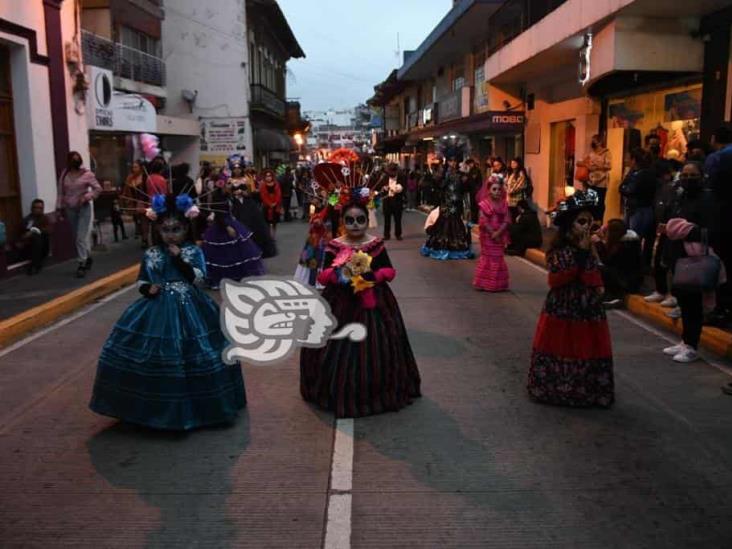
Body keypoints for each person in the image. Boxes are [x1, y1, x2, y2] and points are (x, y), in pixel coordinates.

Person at [89, 193, 246, 430]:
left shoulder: (193, 251)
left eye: (176, 229)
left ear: (186, 229)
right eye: (165, 230)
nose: (171, 235)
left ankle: (202, 408)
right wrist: (147, 289)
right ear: (157, 230)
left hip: (191, 307)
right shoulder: (151, 253)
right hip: (156, 308)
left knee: (198, 353)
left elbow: (199, 278)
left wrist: (180, 260)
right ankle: (148, 411)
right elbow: (141, 280)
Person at [299, 191, 421, 418]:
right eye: (350, 220)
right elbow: (323, 274)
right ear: (343, 223)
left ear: (367, 220)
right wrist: (339, 276)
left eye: (360, 220)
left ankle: (376, 390)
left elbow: (390, 270)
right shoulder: (334, 244)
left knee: (377, 346)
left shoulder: (375, 244)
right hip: (340, 301)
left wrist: (372, 277)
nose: (355, 225)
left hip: (374, 302)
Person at [527, 189, 614, 408]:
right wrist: (581, 255)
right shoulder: (560, 250)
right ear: (570, 224)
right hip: (563, 306)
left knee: (586, 345)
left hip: (588, 309)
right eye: (581, 222)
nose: (586, 226)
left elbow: (593, 275)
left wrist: (597, 285)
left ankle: (587, 390)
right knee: (562, 344)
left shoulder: (591, 248)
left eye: (590, 222)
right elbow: (557, 279)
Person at [661, 161, 721, 363]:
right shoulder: (680, 197)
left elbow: (711, 230)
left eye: (692, 175)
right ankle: (685, 341)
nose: (687, 179)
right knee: (684, 302)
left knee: (693, 304)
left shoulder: (708, 200)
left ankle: (692, 346)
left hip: (695, 258)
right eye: (684, 175)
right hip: (678, 256)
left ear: (701, 176)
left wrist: (685, 230)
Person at [201, 187, 266, 290]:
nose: (229, 186)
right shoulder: (218, 200)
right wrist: (227, 227)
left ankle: (237, 275)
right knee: (223, 254)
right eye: (227, 184)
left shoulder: (228, 197)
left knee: (238, 250)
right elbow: (218, 215)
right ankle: (222, 277)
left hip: (230, 221)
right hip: (222, 226)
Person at [55, 151, 102, 278]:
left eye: (77, 159)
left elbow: (98, 189)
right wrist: (59, 208)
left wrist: (87, 196)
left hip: (83, 209)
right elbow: (60, 192)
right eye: (72, 159)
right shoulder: (65, 174)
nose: (75, 161)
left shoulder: (87, 174)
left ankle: (82, 263)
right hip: (70, 208)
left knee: (80, 237)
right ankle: (88, 256)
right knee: (77, 236)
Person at [420, 158, 474, 260]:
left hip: (457, 205)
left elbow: (467, 190)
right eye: (450, 161)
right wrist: (442, 176)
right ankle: (441, 248)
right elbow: (437, 185)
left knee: (457, 225)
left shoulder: (462, 174)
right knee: (443, 226)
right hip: (445, 204)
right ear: (447, 162)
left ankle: (458, 249)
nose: (453, 163)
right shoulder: (443, 173)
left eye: (454, 161)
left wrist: (467, 178)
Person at [619, 148, 657, 270]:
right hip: (634, 208)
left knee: (634, 239)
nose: (625, 160)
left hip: (640, 210)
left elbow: (629, 189)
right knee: (630, 237)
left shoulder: (644, 174)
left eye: (628, 157)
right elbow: (621, 188)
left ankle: (635, 266)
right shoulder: (634, 173)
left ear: (634, 160)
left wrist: (626, 189)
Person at [473, 175, 510, 292]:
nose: (497, 192)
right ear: (488, 190)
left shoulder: (504, 204)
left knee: (498, 258)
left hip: (499, 237)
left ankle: (497, 284)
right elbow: (483, 221)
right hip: (487, 237)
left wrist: (499, 233)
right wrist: (492, 233)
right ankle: (485, 283)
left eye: (499, 189)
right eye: (494, 189)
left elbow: (507, 220)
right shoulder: (484, 204)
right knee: (488, 258)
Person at [594, 219, 643, 307]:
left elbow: (607, 261)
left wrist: (599, 243)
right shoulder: (624, 242)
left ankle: (615, 295)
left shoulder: (626, 245)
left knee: (600, 269)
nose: (605, 231)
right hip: (626, 278)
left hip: (627, 282)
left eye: (607, 230)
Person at [229, 174, 277, 258]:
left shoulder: (245, 179)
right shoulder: (229, 180)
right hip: (235, 204)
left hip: (247, 204)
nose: (237, 170)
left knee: (254, 225)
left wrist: (243, 192)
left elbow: (250, 192)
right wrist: (233, 193)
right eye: (235, 168)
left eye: (238, 168)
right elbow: (228, 192)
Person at [294, 189, 332, 288]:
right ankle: (311, 281)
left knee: (325, 259)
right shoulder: (314, 204)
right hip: (315, 237)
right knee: (313, 258)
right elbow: (312, 218)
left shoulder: (332, 200)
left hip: (327, 235)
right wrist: (316, 219)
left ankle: (324, 279)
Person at [578, 134, 611, 221]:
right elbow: (579, 162)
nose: (592, 143)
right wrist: (587, 165)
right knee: (590, 203)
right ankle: (590, 222)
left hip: (601, 182)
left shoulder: (606, 152)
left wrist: (597, 167)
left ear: (600, 142)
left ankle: (598, 222)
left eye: (594, 141)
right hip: (590, 182)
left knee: (599, 204)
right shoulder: (590, 152)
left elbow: (609, 166)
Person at [15, 199, 50, 275]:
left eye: (40, 208)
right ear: (32, 208)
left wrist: (34, 231)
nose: (38, 210)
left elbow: (48, 230)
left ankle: (35, 264)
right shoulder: (27, 219)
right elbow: (20, 233)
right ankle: (35, 265)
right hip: (28, 245)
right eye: (35, 207)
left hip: (43, 246)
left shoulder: (45, 219)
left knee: (38, 236)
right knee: (35, 238)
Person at [123, 160, 150, 248]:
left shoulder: (145, 177)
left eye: (136, 167)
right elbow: (126, 190)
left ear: (141, 168)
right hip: (134, 202)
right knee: (139, 221)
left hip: (145, 202)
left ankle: (145, 238)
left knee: (144, 221)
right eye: (133, 167)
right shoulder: (130, 178)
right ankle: (143, 237)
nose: (134, 169)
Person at [380, 163, 405, 240]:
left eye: (393, 172)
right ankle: (386, 235)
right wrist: (384, 188)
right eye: (390, 172)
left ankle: (398, 234)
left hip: (397, 201)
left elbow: (402, 188)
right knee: (386, 219)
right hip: (387, 201)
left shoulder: (401, 177)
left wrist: (394, 188)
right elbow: (380, 187)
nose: (391, 174)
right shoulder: (384, 177)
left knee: (398, 219)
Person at [260, 169, 283, 240]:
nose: (268, 177)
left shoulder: (276, 184)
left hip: (275, 206)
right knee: (267, 222)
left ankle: (273, 235)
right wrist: (269, 204)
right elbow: (263, 195)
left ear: (272, 177)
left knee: (274, 222)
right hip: (266, 206)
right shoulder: (263, 185)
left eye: (270, 176)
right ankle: (268, 235)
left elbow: (279, 194)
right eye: (267, 176)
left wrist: (275, 203)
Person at [506, 158, 530, 222]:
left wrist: (511, 191)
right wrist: (506, 189)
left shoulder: (521, 173)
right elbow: (506, 182)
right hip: (509, 198)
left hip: (517, 197)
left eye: (514, 163)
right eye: (511, 163)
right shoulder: (510, 172)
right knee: (511, 213)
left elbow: (520, 184)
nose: (512, 165)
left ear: (518, 164)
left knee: (516, 213)